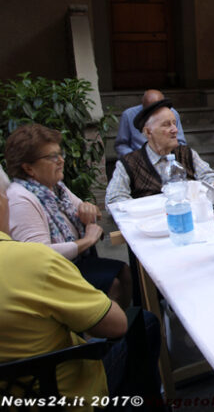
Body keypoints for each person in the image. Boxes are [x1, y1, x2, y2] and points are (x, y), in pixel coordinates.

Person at [0, 166, 161, 408]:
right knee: (144, 322)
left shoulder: (56, 192)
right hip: (60, 397)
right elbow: (116, 325)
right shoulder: (33, 260)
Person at [5, 124, 131, 309]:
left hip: (72, 264)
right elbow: (39, 255)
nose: (61, 160)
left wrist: (88, 208)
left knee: (124, 272)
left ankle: (129, 322)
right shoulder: (20, 199)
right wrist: (87, 240)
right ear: (29, 168)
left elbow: (92, 212)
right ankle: (107, 326)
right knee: (114, 284)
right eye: (52, 157)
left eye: (60, 154)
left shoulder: (56, 188)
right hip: (51, 279)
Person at [106, 98, 214, 204]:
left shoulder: (186, 153)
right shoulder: (129, 163)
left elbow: (210, 177)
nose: (175, 130)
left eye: (174, 123)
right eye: (166, 125)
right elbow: (114, 198)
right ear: (148, 132)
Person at [114, 89, 186, 157]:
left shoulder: (172, 114)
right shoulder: (128, 115)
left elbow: (181, 142)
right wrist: (135, 158)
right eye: (150, 110)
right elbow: (121, 145)